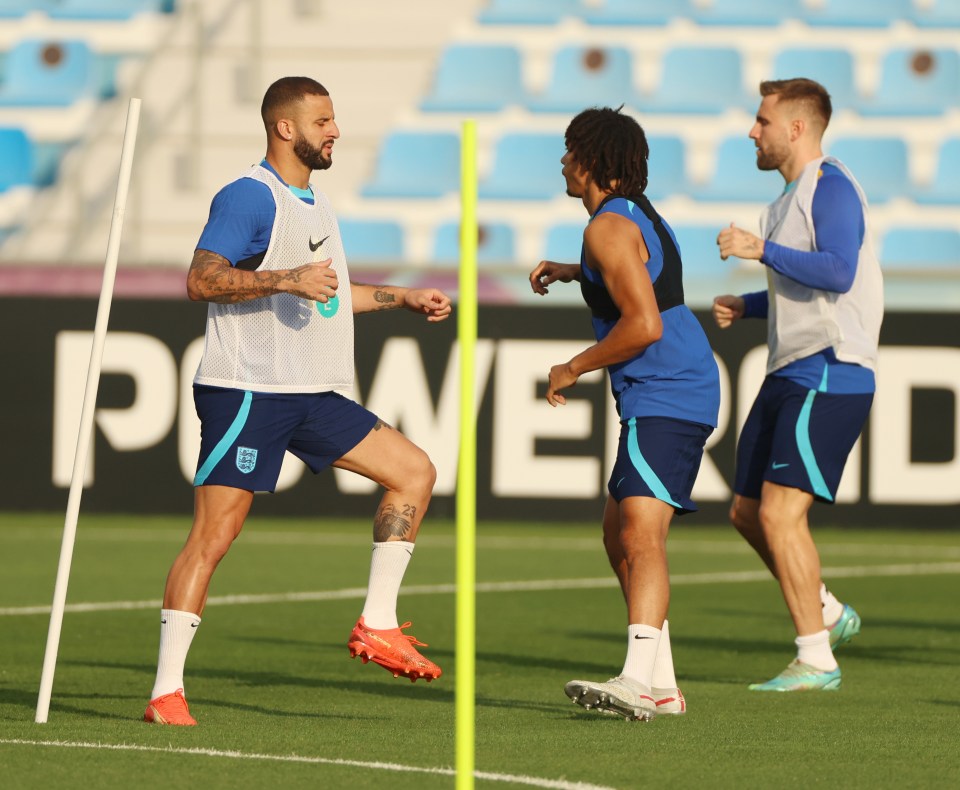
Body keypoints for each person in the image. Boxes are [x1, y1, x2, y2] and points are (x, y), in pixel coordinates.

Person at [143, 76, 452, 726]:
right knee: (215, 537)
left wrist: (403, 297)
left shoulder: (316, 204)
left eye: (333, 120)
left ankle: (377, 622)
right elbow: (202, 279)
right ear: (286, 128)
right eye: (323, 121)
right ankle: (166, 691)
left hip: (313, 392)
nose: (334, 131)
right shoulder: (249, 197)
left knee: (415, 471)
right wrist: (287, 278)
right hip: (249, 391)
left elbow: (331, 294)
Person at [529, 106, 720, 721]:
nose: (562, 160)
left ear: (589, 159)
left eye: (567, 150)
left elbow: (643, 323)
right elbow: (639, 282)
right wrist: (574, 272)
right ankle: (660, 683)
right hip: (667, 386)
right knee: (620, 534)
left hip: (667, 389)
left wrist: (574, 366)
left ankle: (638, 679)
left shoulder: (606, 229)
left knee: (641, 532)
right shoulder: (626, 216)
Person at [713, 78, 883, 691]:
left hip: (831, 370)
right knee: (748, 511)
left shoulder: (830, 185)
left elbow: (838, 271)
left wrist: (760, 251)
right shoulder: (782, 203)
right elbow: (804, 288)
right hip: (789, 367)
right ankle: (829, 612)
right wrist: (752, 305)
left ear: (796, 128)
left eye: (761, 121)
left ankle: (817, 657)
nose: (751, 132)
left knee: (783, 514)